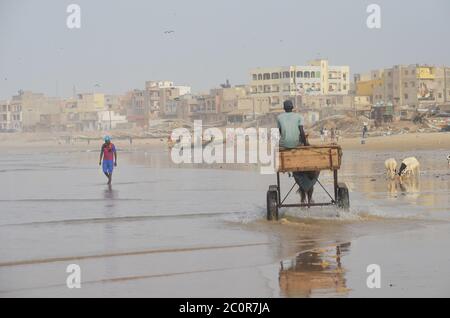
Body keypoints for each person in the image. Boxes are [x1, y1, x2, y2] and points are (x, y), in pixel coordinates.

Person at [277, 100, 319, 205]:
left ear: (284, 108)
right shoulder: (298, 117)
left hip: (284, 145)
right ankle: (309, 195)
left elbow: (281, 132)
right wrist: (305, 144)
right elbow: (301, 132)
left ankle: (303, 196)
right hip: (297, 143)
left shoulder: (279, 118)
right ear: (293, 108)